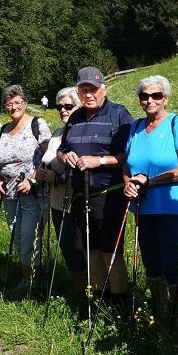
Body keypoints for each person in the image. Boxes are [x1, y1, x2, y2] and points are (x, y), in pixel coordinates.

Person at [56, 67, 134, 318]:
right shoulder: (75, 117)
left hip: (109, 192)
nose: (89, 94)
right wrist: (64, 155)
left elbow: (129, 155)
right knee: (90, 250)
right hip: (81, 194)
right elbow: (62, 149)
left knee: (112, 251)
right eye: (84, 90)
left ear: (104, 90)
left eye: (93, 89)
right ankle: (98, 303)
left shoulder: (119, 114)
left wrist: (98, 162)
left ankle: (119, 303)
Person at [123, 75, 178, 334]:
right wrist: (128, 183)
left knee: (171, 264)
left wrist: (149, 182)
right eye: (144, 96)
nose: (150, 100)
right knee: (151, 263)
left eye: (156, 95)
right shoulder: (135, 128)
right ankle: (159, 316)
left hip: (172, 206)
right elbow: (127, 166)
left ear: (166, 98)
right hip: (143, 208)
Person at [0, 84, 51, 297]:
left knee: (29, 239)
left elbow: (48, 157)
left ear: (25, 104)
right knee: (17, 238)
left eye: (17, 102)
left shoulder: (37, 124)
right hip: (9, 194)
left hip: (34, 194)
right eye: (9, 104)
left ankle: (31, 285)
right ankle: (29, 279)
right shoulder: (4, 130)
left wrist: (33, 180)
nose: (13, 107)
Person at [39, 87, 80, 237]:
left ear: (79, 106)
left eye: (68, 106)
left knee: (77, 253)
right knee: (67, 253)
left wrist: (56, 178)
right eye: (59, 107)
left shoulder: (81, 134)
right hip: (56, 203)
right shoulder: (57, 133)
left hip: (74, 205)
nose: (63, 110)